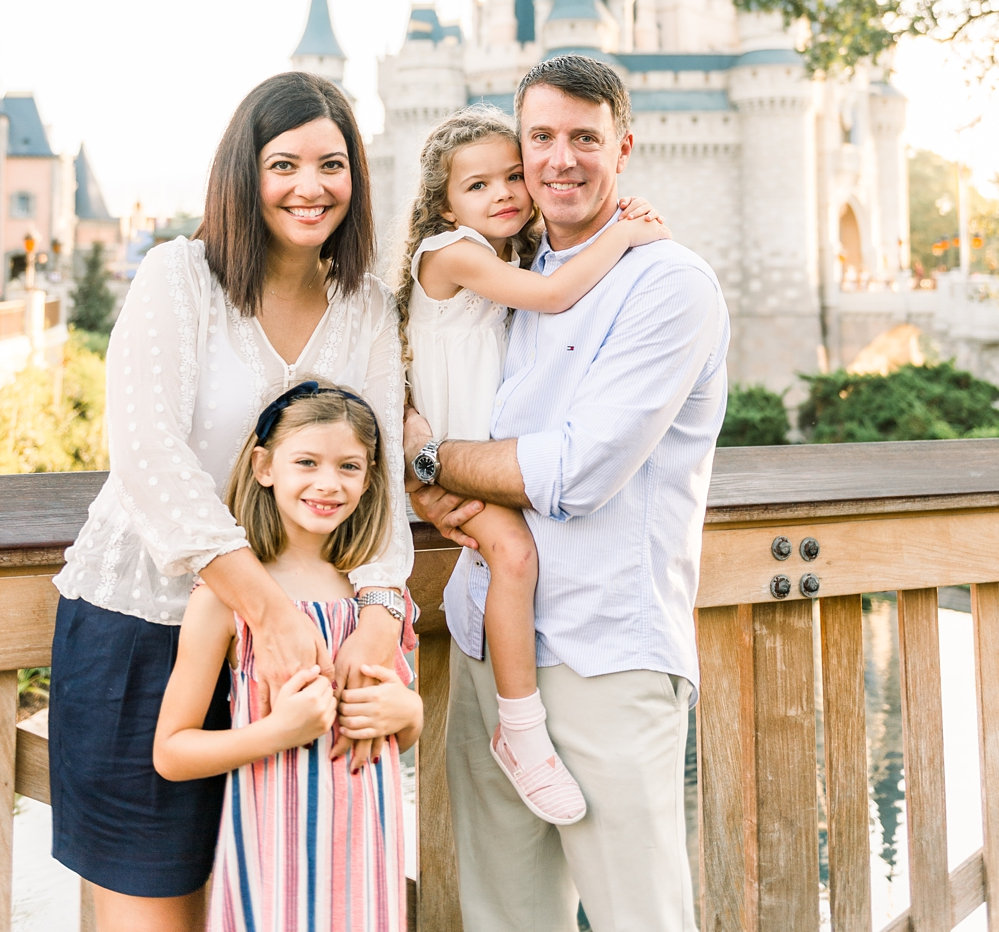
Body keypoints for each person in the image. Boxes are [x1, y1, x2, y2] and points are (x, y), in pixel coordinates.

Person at [49, 71, 413, 932]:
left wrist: (381, 610)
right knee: (154, 913)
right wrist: (270, 610)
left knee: (284, 904)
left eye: (332, 164)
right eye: (283, 163)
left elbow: (384, 476)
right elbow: (147, 456)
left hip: (296, 661)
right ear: (243, 173)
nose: (309, 186)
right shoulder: (179, 277)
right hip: (147, 635)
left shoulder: (364, 306)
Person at [405, 53, 730, 932]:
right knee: (506, 918)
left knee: (638, 918)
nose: (557, 160)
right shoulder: (501, 279)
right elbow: (411, 366)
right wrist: (410, 441)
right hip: (484, 645)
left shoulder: (667, 284)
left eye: (583, 138)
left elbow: (574, 473)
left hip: (604, 656)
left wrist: (430, 460)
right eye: (537, 139)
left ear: (622, 147)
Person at [397, 105, 667, 826]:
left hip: (470, 457)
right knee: (513, 554)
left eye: (513, 176)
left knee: (511, 553)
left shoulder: (497, 257)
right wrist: (627, 235)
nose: (505, 194)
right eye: (478, 185)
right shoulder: (453, 252)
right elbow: (553, 295)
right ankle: (521, 735)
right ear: (444, 202)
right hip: (450, 457)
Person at [154, 381, 422, 932]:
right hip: (272, 851)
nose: (328, 483)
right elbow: (172, 752)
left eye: (350, 466)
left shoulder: (375, 599)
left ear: (370, 477)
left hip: (366, 850)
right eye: (307, 462)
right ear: (264, 467)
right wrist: (279, 732)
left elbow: (396, 723)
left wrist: (409, 715)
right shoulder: (228, 601)